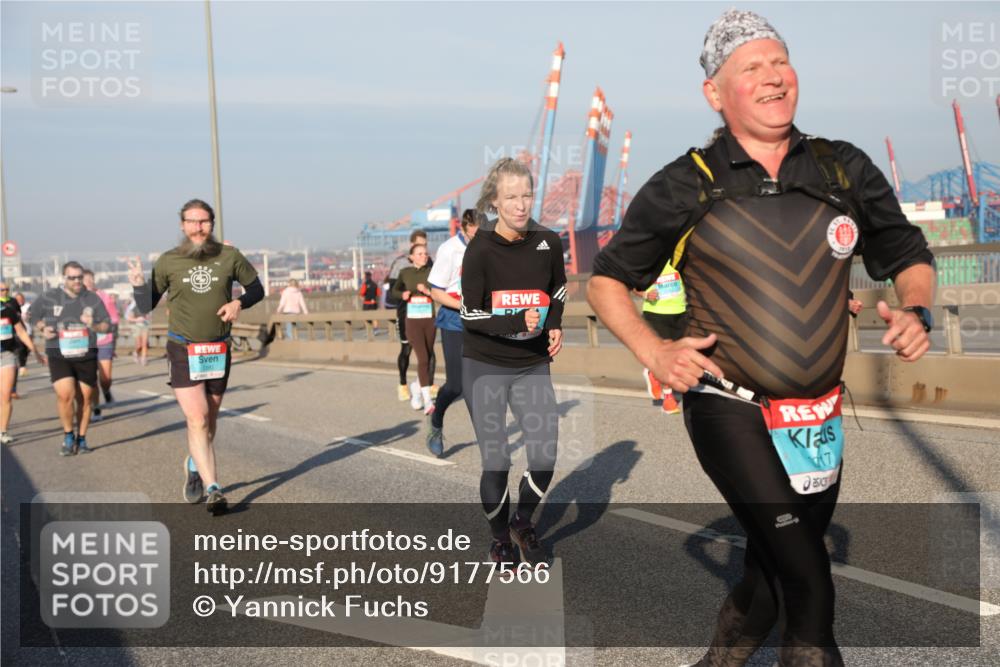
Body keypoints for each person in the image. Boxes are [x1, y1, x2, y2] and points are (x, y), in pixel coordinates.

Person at [587, 10, 934, 666]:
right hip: (730, 405)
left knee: (770, 581)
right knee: (810, 585)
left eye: (781, 62)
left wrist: (916, 309)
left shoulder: (842, 169)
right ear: (715, 93)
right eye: (752, 67)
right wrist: (655, 351)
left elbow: (908, 253)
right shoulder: (686, 183)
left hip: (818, 416)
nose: (774, 77)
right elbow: (606, 281)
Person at [461, 157, 567, 566]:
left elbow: (558, 289)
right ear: (494, 200)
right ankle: (500, 538)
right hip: (485, 365)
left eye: (527, 195)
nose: (521, 205)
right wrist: (515, 321)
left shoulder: (548, 241)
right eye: (511, 197)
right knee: (498, 461)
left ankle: (522, 521)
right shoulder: (480, 248)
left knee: (544, 456)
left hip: (531, 362)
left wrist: (553, 323)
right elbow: (469, 314)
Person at [129, 199, 264, 515]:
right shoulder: (169, 260)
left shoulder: (229, 256)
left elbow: (257, 289)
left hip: (217, 348)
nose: (198, 227)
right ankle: (213, 488)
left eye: (203, 221)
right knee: (198, 418)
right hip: (182, 347)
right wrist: (138, 285)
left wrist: (238, 303)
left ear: (212, 224)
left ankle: (194, 464)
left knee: (210, 418)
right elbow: (146, 305)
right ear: (182, 225)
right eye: (192, 221)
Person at [29, 262, 113, 455]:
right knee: (65, 395)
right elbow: (31, 315)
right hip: (59, 353)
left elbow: (107, 325)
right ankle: (68, 435)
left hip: (86, 354)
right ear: (63, 278)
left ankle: (81, 439)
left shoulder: (92, 298)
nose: (76, 281)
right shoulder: (50, 296)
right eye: (72, 277)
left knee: (85, 398)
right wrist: (43, 327)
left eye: (79, 277)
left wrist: (93, 325)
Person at [425, 208, 481, 456]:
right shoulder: (449, 249)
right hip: (454, 321)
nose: (478, 240)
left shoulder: (490, 246)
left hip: (480, 321)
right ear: (463, 229)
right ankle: (436, 423)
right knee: (457, 385)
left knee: (478, 384)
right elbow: (436, 292)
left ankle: (489, 440)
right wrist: (463, 305)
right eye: (473, 235)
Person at [387, 229, 436, 401]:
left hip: (426, 313)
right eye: (420, 245)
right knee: (406, 349)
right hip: (406, 313)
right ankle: (403, 384)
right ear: (412, 245)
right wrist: (404, 295)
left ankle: (427, 384)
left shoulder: (429, 262)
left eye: (425, 246)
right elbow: (393, 290)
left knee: (429, 352)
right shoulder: (400, 264)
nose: (424, 251)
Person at [640, 260, 687, 415]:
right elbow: (632, 284)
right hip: (657, 313)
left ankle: (653, 371)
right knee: (667, 356)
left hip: (680, 312)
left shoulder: (679, 257)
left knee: (679, 357)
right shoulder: (649, 258)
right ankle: (668, 399)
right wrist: (645, 294)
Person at [1, 282, 41, 444]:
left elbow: (22, 332)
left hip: (6, 355)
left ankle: (3, 431)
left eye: (5, 289)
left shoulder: (8, 310)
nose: (4, 292)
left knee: (5, 395)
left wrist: (35, 351)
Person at [82, 270, 120, 421]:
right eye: (85, 279)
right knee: (91, 378)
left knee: (105, 378)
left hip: (104, 340)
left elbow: (114, 319)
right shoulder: (77, 299)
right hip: (86, 343)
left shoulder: (104, 296)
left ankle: (106, 390)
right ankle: (96, 409)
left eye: (91, 279)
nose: (89, 282)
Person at [125, 298, 151, 365]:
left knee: (144, 343)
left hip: (145, 326)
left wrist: (146, 318)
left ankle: (143, 359)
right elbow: (129, 318)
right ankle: (136, 353)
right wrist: (137, 319)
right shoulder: (133, 307)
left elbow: (148, 317)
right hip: (136, 326)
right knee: (139, 344)